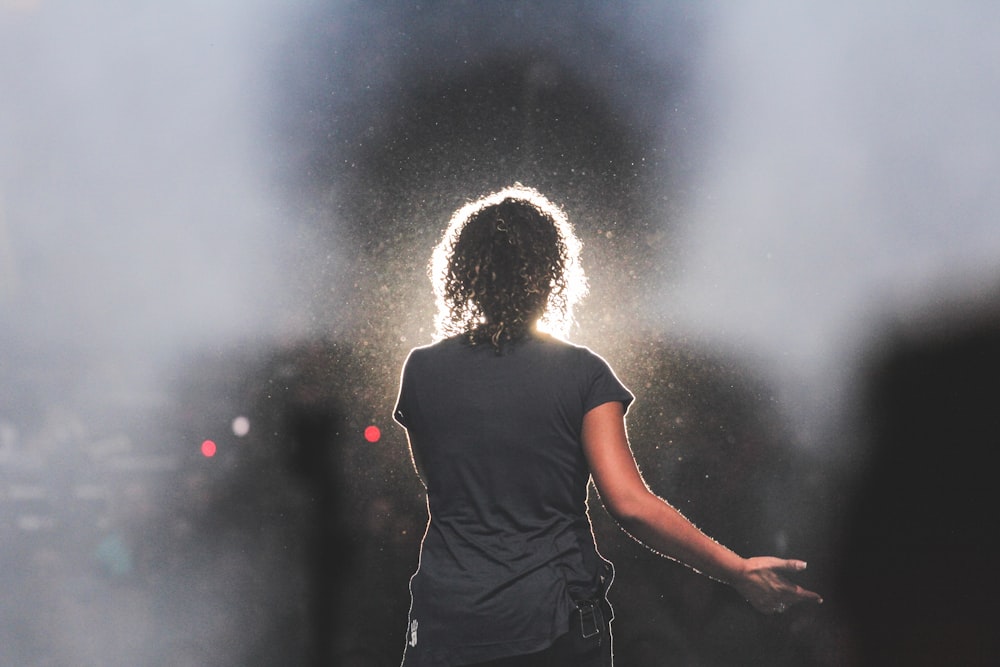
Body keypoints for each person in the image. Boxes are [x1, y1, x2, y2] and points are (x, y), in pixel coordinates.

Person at [393, 185, 822, 666]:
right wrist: (737, 570)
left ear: (465, 276)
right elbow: (631, 506)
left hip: (446, 623)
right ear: (549, 275)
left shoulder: (422, 371)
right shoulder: (582, 374)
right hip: (553, 624)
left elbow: (441, 485)